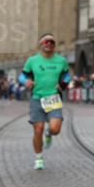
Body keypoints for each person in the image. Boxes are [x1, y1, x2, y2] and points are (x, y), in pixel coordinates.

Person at [22, 33, 70, 170]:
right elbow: (23, 75)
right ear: (41, 44)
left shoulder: (61, 60)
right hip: (37, 98)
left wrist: (64, 83)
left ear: (54, 45)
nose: (49, 44)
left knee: (55, 129)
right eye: (46, 42)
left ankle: (49, 134)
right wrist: (25, 81)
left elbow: (66, 75)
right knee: (38, 129)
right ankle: (39, 158)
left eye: (52, 42)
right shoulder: (32, 60)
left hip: (53, 98)